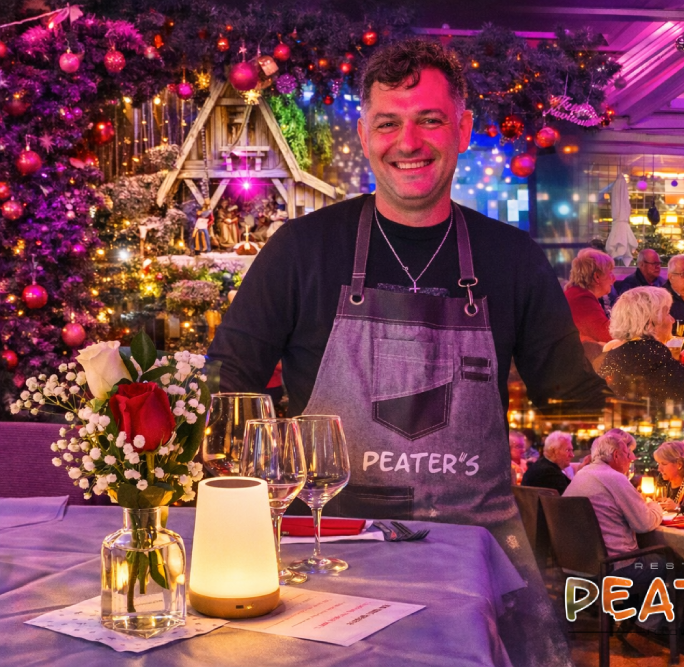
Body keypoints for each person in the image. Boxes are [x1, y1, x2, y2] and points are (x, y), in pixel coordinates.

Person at [207, 38, 608, 666]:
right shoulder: (302, 249)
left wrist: (650, 385)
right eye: (389, 122)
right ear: (365, 135)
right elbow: (229, 384)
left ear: (463, 130)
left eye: (430, 120)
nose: (408, 141)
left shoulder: (511, 258)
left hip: (479, 555)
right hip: (331, 547)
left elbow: (569, 394)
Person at [563, 429, 669, 623]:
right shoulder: (614, 477)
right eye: (628, 454)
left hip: (577, 565)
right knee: (669, 562)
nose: (632, 458)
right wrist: (655, 505)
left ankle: (632, 619)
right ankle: (649, 626)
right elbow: (644, 524)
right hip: (612, 567)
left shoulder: (582, 475)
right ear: (616, 455)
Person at [564, 247, 615, 343]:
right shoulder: (581, 299)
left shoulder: (576, 293)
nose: (614, 278)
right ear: (597, 277)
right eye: (610, 273)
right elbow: (607, 335)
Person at [653, 441, 684, 512]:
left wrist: (677, 508)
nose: (659, 469)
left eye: (664, 464)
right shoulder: (662, 482)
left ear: (679, 465)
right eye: (658, 463)